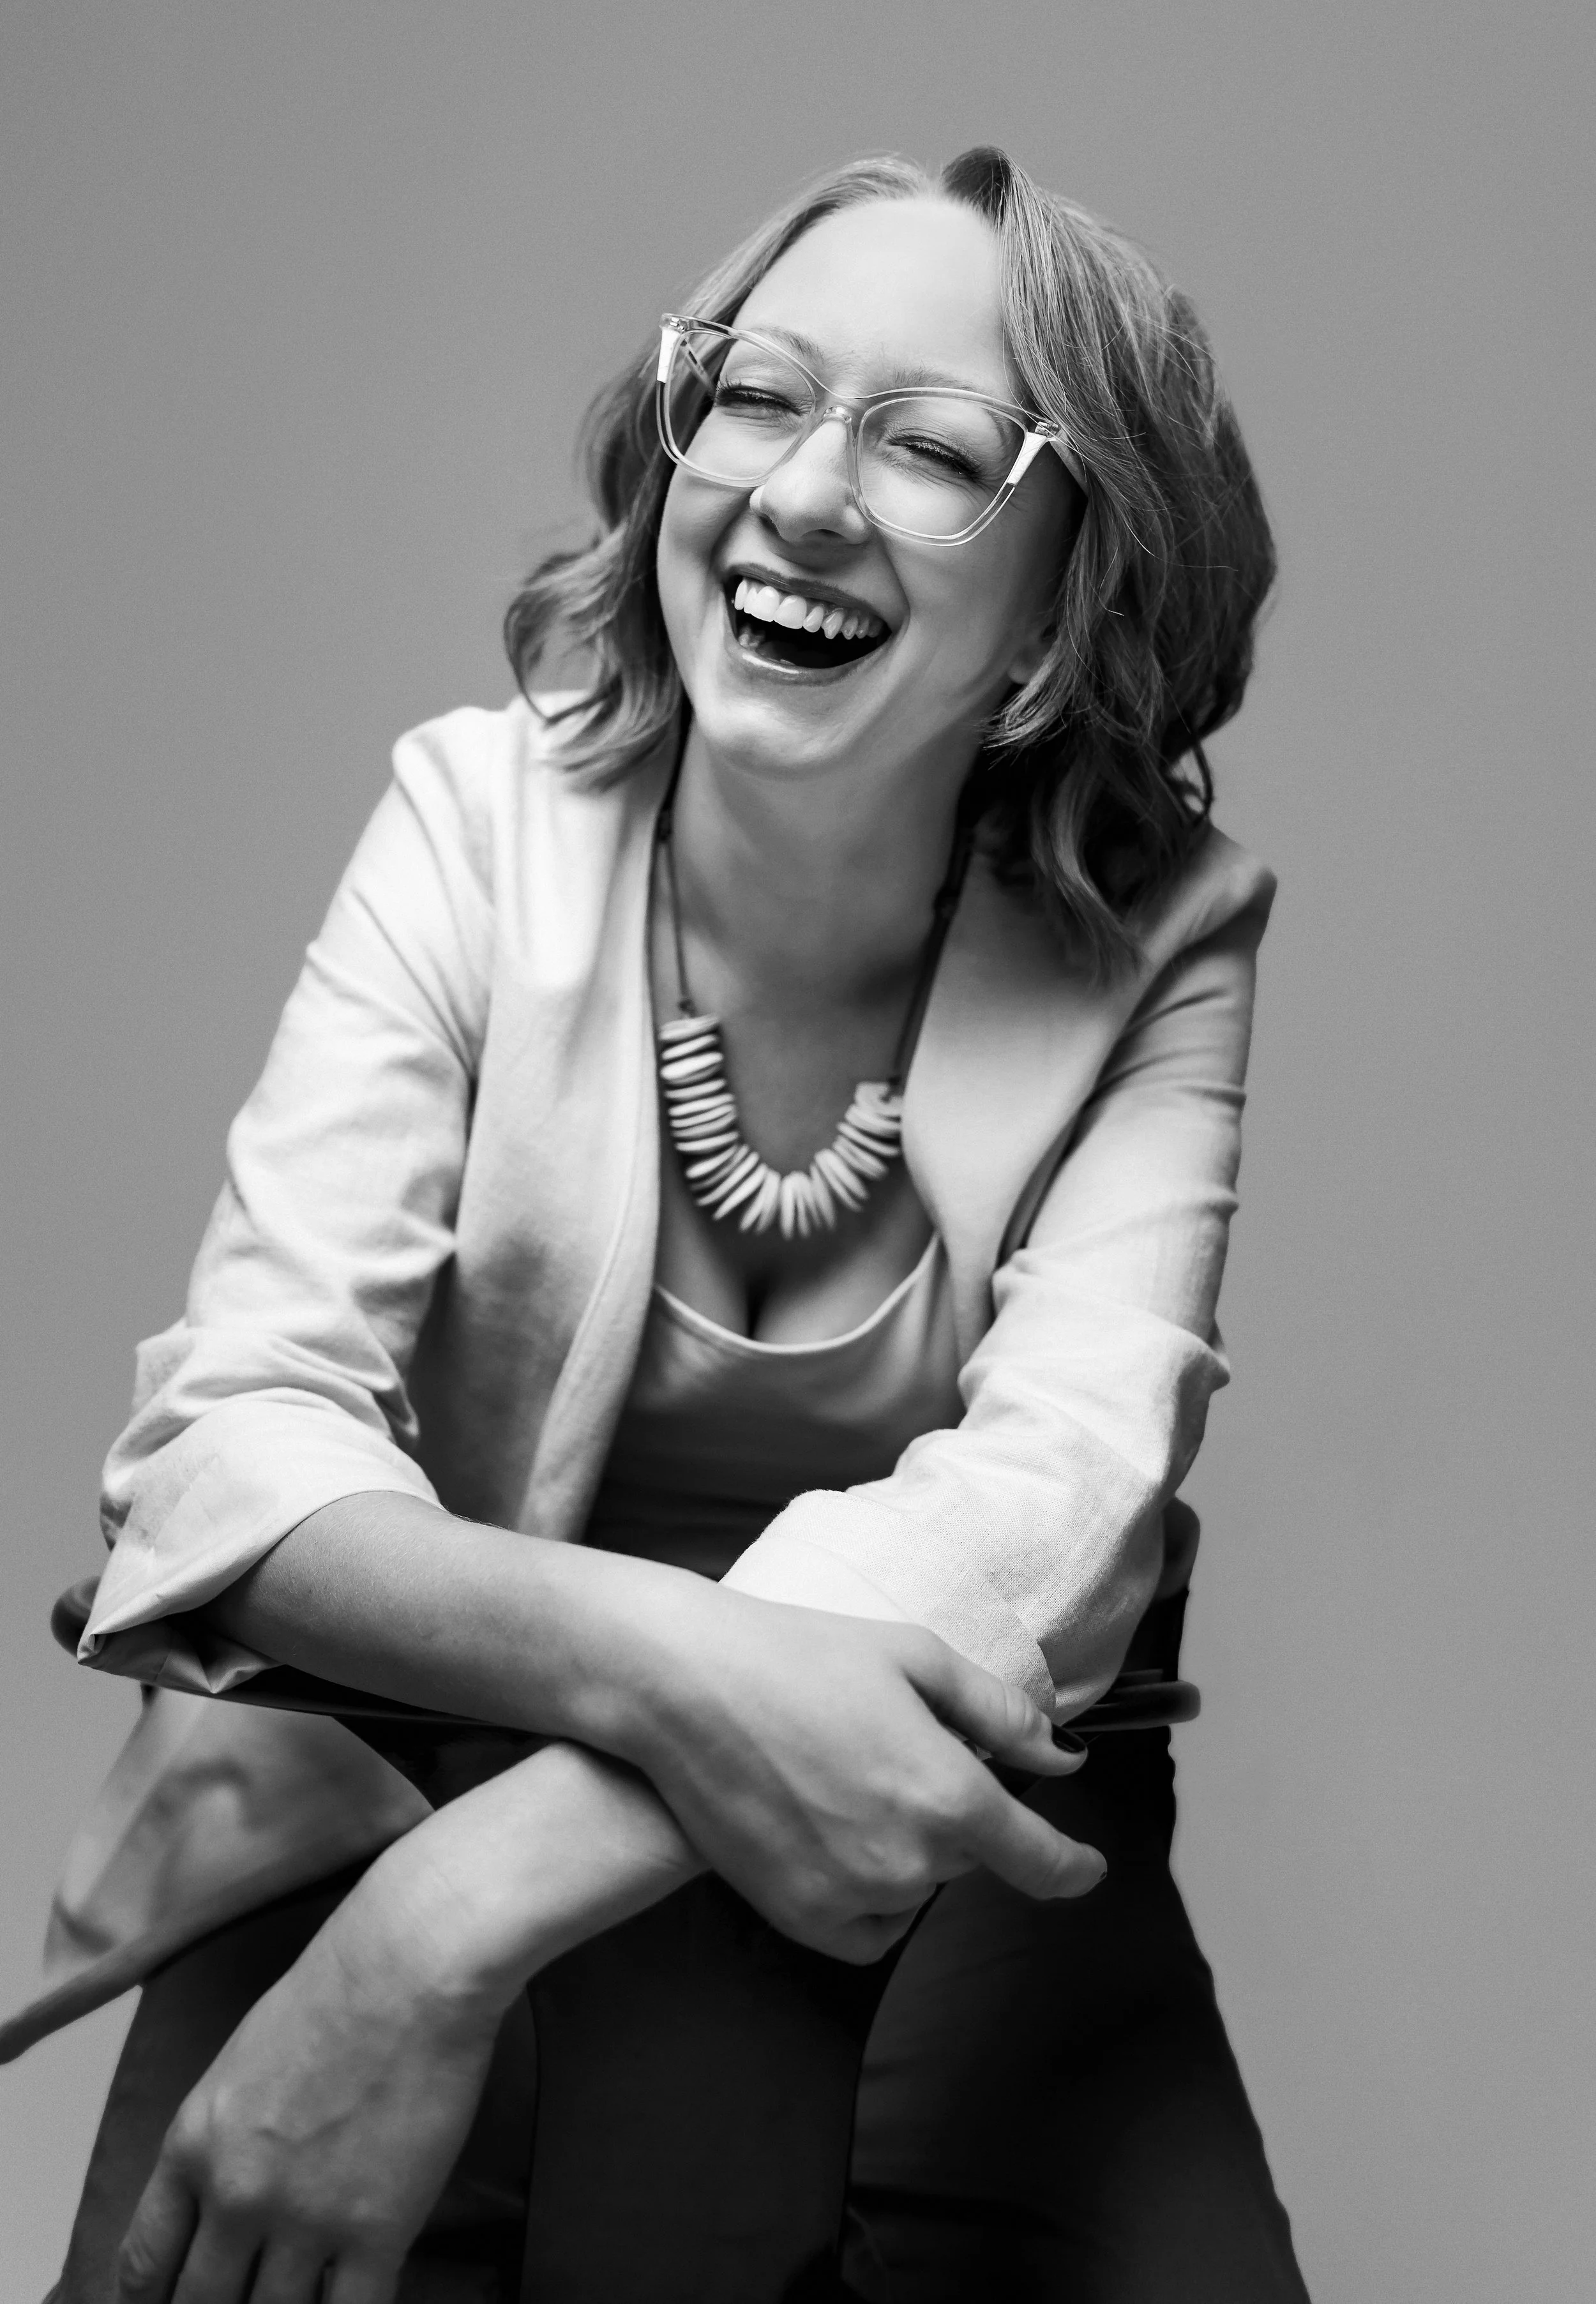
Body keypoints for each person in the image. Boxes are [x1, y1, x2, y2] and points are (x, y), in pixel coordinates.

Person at [36, 145, 1306, 2300]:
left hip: (942, 1887)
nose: (804, 489)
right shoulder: (471, 816)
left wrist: (446, 1928)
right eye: (756, 393)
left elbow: (1043, 1510)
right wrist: (678, 1677)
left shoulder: (1165, 935)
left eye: (925, 443)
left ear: (1075, 587)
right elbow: (235, 1445)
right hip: (381, 1784)